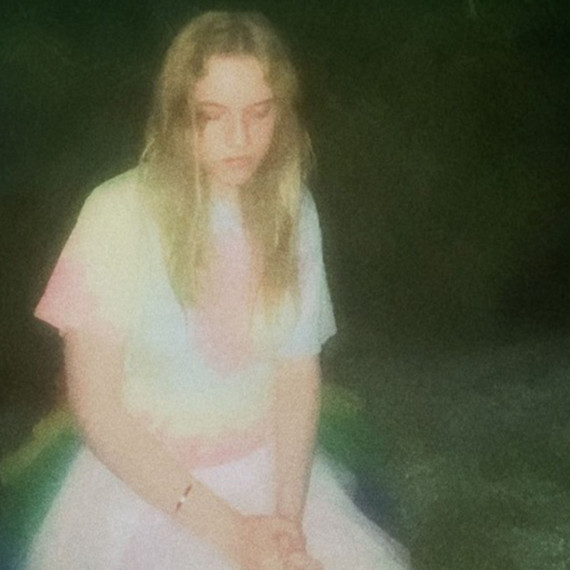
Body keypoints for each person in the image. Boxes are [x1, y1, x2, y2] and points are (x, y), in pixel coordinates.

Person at [26, 11, 410, 570]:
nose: (240, 139)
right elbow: (97, 407)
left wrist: (287, 526)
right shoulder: (116, 214)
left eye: (259, 113)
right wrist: (232, 534)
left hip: (268, 473)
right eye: (213, 116)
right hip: (149, 488)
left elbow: (296, 373)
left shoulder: (291, 209)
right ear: (178, 115)